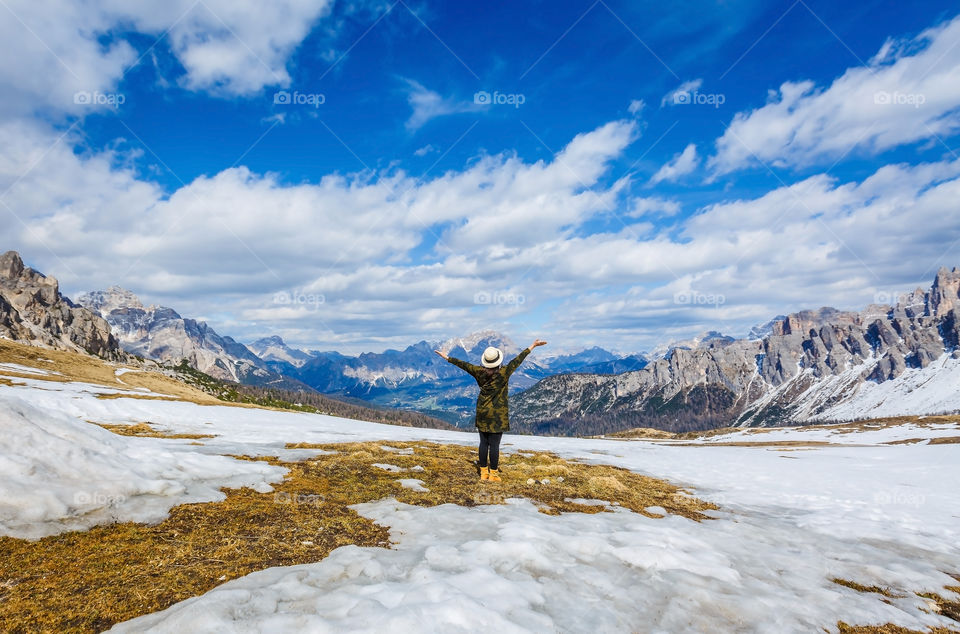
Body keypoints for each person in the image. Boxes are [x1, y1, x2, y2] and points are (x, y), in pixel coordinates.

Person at [435, 339, 547, 481]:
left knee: (483, 443)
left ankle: (483, 473)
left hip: (482, 412)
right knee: (494, 445)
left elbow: (464, 365)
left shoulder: (479, 372)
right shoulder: (504, 373)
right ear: (498, 361)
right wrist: (532, 346)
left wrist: (447, 358)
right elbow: (517, 360)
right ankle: (493, 474)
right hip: (497, 416)